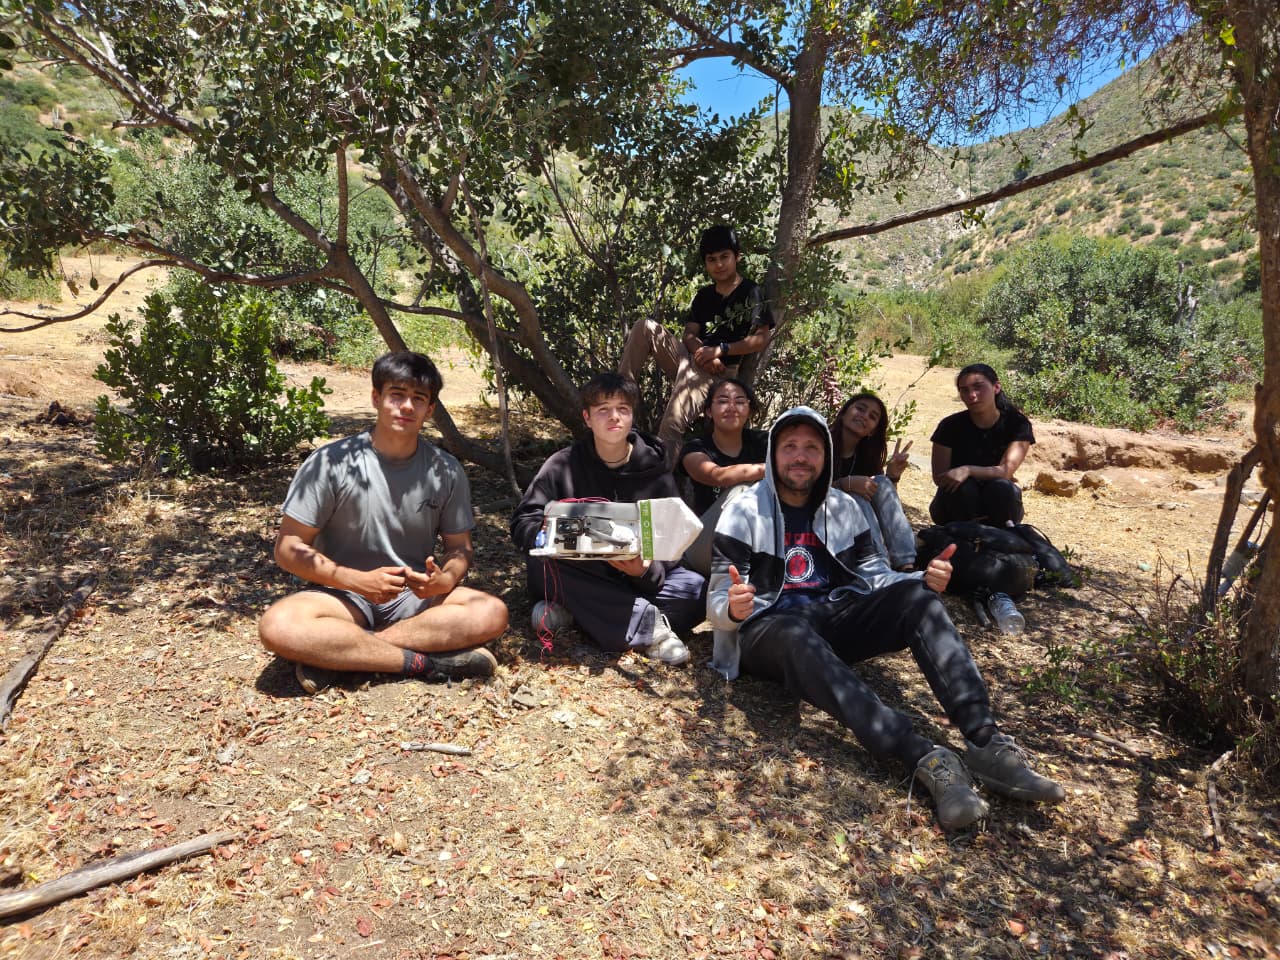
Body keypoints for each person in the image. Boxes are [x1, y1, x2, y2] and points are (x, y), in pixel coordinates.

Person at [707, 406, 1065, 830]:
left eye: (811, 448)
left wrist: (920, 578)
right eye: (789, 447)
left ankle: (987, 742)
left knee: (917, 598)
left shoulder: (844, 507)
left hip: (834, 618)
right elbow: (717, 599)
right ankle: (924, 757)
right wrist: (733, 608)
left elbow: (876, 574)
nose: (800, 457)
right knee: (791, 632)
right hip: (769, 629)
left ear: (825, 457)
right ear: (772, 454)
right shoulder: (744, 510)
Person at [258, 351, 509, 695]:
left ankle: (343, 654)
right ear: (376, 398)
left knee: (491, 613)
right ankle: (423, 664)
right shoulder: (330, 463)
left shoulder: (446, 470)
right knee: (278, 625)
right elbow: (288, 548)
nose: (407, 406)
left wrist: (444, 579)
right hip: (341, 595)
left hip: (411, 597)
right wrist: (355, 580)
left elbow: (459, 547)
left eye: (418, 399)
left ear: (430, 410)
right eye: (397, 395)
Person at [510, 373, 706, 665]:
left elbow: (670, 540)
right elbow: (523, 521)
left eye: (623, 409)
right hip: (580, 570)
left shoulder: (653, 468)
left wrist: (643, 569)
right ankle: (647, 627)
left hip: (634, 577)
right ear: (587, 418)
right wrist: (553, 536)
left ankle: (576, 614)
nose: (614, 417)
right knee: (542, 565)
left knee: (696, 590)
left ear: (631, 417)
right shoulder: (562, 464)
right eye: (603, 410)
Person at [619, 225, 774, 466]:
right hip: (694, 359)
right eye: (712, 259)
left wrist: (720, 350)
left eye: (725, 257)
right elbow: (689, 334)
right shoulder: (704, 295)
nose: (719, 264)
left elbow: (761, 339)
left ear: (737, 257)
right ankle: (619, 396)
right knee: (644, 327)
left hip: (718, 373)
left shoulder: (751, 292)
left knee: (672, 423)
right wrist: (702, 352)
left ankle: (656, 485)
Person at [678, 377, 768, 576]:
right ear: (708, 411)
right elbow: (718, 476)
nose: (732, 406)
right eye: (723, 401)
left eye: (740, 401)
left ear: (749, 409)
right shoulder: (695, 449)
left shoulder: (764, 442)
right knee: (742, 490)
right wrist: (771, 468)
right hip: (704, 547)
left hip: (755, 544)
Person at [929, 363, 1033, 527]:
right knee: (964, 487)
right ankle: (964, 538)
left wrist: (968, 470)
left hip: (999, 503)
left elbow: (1006, 471)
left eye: (978, 387)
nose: (972, 395)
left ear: (996, 387)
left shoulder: (1017, 424)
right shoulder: (949, 426)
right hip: (954, 504)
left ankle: (1001, 540)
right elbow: (941, 477)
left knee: (1001, 488)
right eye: (964, 390)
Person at [830, 392, 917, 570]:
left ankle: (906, 564)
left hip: (852, 525)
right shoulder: (821, 443)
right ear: (844, 412)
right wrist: (845, 484)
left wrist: (893, 476)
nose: (864, 416)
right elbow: (806, 492)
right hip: (821, 518)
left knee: (882, 482)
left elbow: (884, 508)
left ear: (873, 430)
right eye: (860, 409)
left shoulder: (866, 456)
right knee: (856, 497)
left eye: (872, 417)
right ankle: (878, 565)